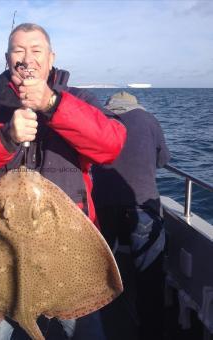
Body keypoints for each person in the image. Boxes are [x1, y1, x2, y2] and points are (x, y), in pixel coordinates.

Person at [0, 23, 127, 339]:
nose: (27, 58)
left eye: (36, 50)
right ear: (6, 58)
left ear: (51, 57)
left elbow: (112, 145)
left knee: (82, 330)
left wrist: (53, 105)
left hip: (70, 245)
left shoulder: (78, 99)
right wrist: (5, 137)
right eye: (18, 50)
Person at [92, 91, 171, 340]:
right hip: (142, 206)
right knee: (149, 276)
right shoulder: (149, 120)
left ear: (110, 106)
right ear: (135, 106)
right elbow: (163, 160)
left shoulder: (98, 119)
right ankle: (151, 332)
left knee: (102, 269)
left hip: (103, 205)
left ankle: (100, 324)